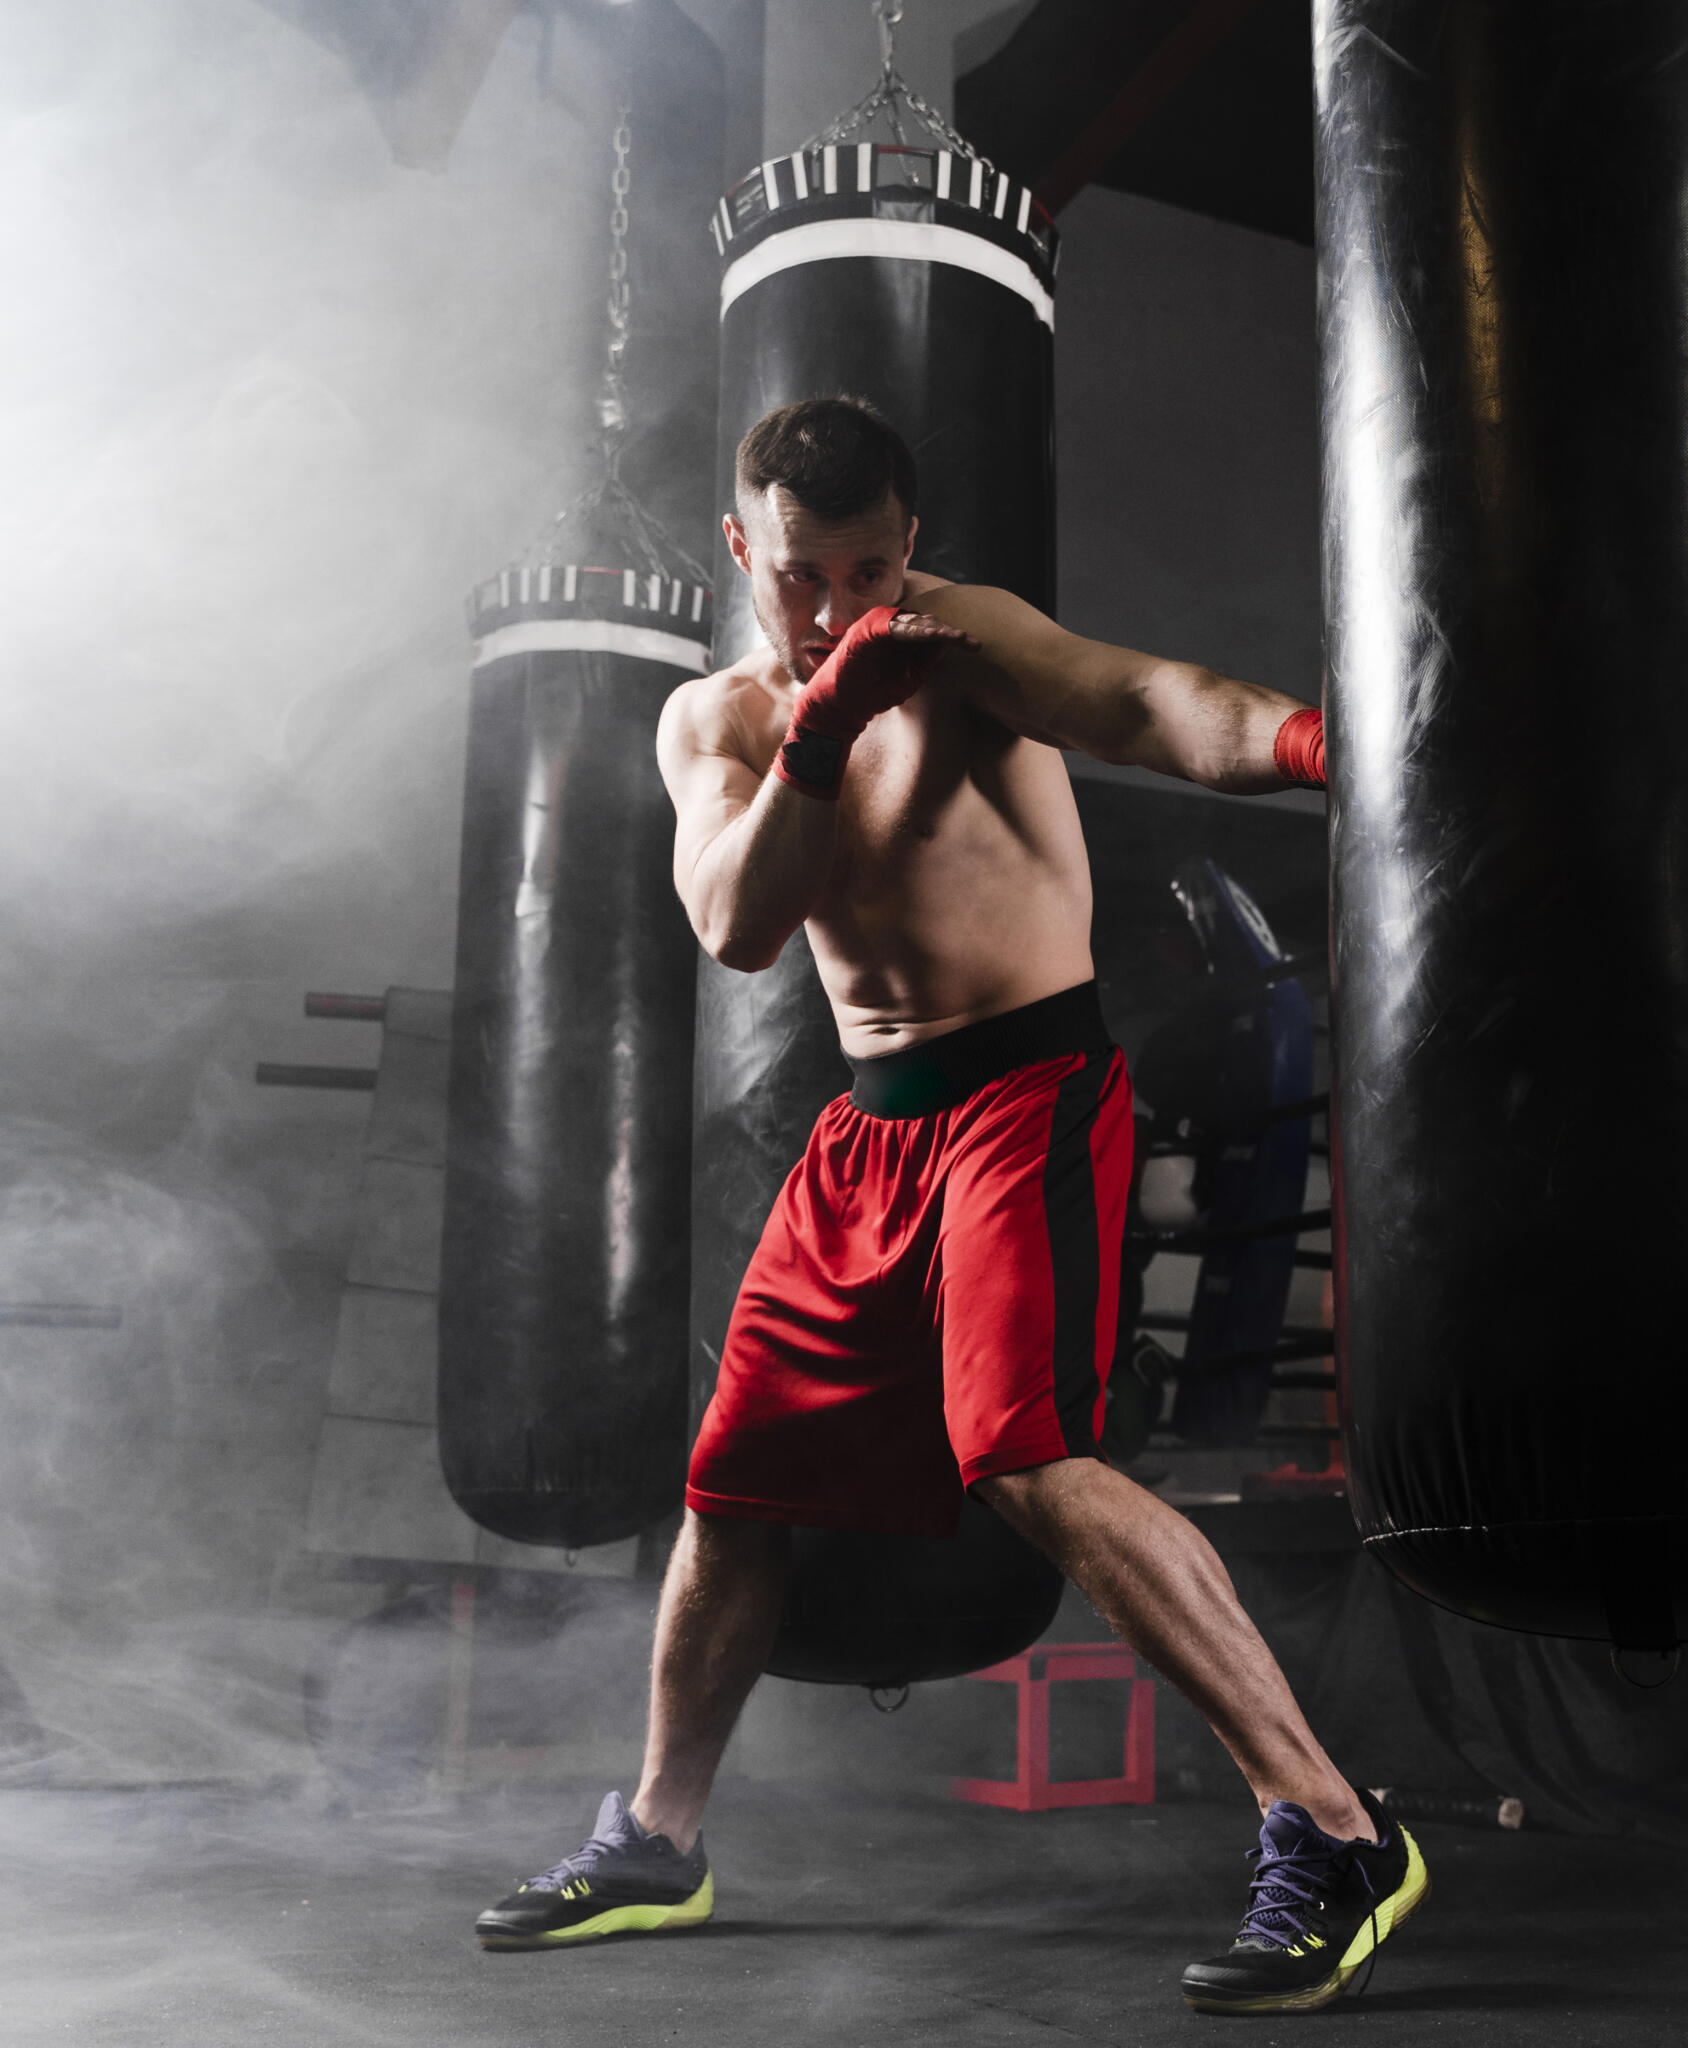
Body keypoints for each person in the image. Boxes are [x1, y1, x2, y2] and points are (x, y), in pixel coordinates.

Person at [472, 396, 1421, 2016]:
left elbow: (1142, 699)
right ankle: (657, 1840)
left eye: (866, 571)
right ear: (741, 548)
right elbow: (734, 923)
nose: (833, 608)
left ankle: (1335, 1829)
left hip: (1024, 1096)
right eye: (798, 575)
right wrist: (820, 732)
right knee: (732, 1491)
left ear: (908, 548)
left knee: (1029, 1458)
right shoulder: (714, 720)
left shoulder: (964, 644)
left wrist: (1317, 748)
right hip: (865, 1138)